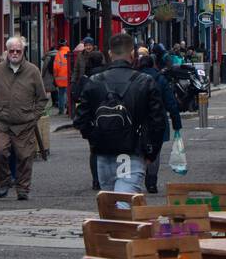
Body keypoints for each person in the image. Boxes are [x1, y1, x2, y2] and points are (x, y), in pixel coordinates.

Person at [74, 34, 165, 194]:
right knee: (123, 205)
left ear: (110, 54)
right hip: (133, 151)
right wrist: (151, 151)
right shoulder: (145, 81)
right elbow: (158, 121)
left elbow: (80, 119)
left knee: (110, 206)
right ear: (132, 54)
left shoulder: (94, 81)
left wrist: (95, 139)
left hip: (104, 152)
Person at [0, 36, 48, 201]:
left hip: (24, 123)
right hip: (0, 122)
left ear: (23, 51)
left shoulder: (33, 71)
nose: (15, 53)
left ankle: (23, 189)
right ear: (7, 51)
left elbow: (41, 99)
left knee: (25, 156)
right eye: (12, 50)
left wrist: (33, 117)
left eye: (18, 50)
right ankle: (4, 182)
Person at [137, 53, 182, 193]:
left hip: (138, 121)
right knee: (155, 152)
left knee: (138, 151)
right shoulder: (160, 79)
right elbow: (171, 103)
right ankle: (151, 182)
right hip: (158, 120)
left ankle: (137, 179)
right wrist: (176, 123)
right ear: (153, 64)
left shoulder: (134, 78)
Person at [82, 50, 107, 189]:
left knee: (94, 151)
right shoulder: (108, 74)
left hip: (93, 118)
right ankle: (108, 177)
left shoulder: (86, 78)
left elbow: (77, 95)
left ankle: (96, 180)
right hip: (109, 115)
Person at [49, 41, 70, 116]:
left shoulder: (59, 54)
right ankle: (69, 109)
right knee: (68, 94)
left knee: (61, 94)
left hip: (60, 78)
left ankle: (61, 110)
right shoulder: (69, 52)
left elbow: (55, 68)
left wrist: (55, 77)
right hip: (69, 77)